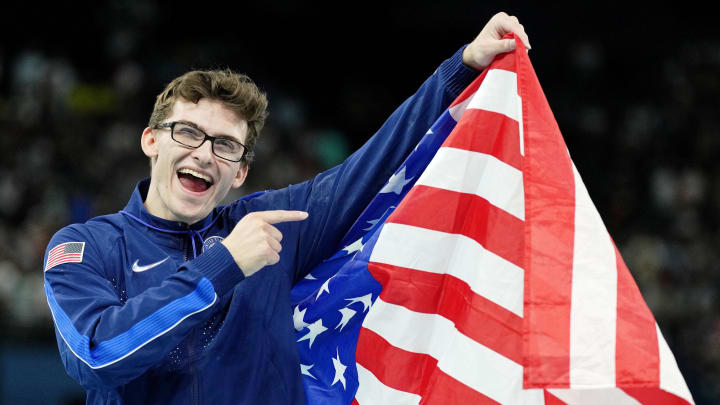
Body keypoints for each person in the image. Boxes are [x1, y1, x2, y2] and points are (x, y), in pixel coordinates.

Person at [43, 12, 530, 405]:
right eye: (188, 133)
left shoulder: (274, 225)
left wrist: (461, 67)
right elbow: (96, 355)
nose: (204, 153)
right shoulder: (86, 247)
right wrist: (225, 264)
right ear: (151, 141)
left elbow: (373, 165)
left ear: (240, 173)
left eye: (226, 146)